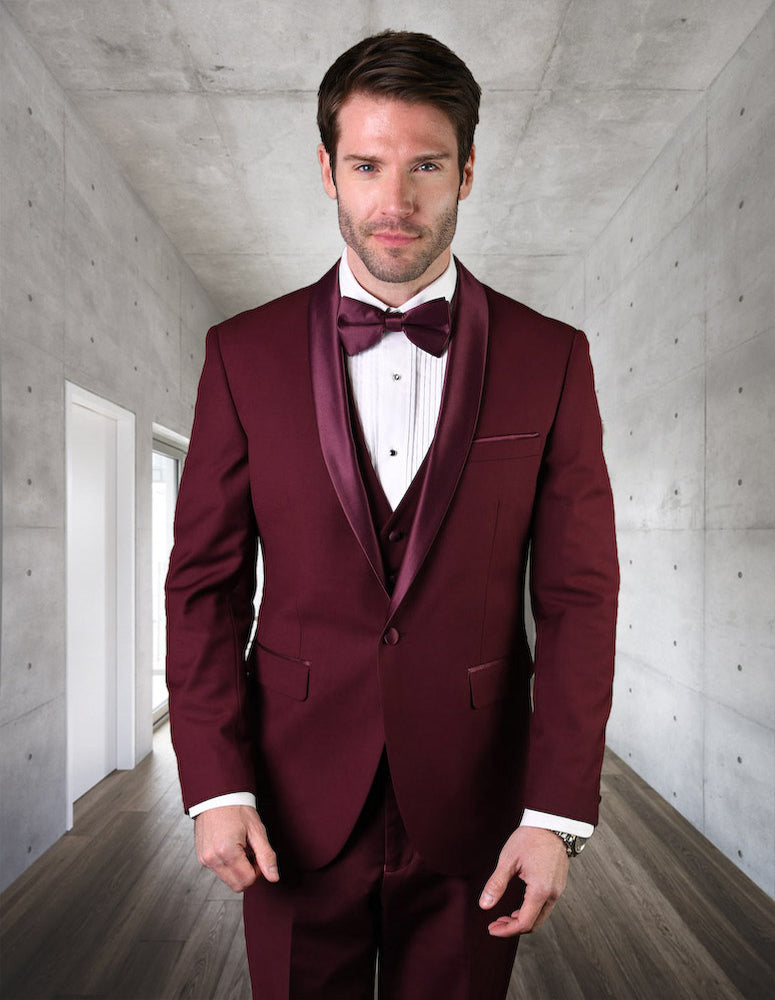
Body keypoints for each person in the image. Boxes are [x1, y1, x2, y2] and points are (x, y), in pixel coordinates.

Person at [165, 29, 619, 1000]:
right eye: (367, 165)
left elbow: (581, 596)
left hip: (477, 807)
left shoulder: (552, 357)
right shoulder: (241, 354)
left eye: (426, 166)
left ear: (467, 171)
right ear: (326, 169)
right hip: (288, 803)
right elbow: (202, 586)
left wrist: (555, 810)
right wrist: (216, 781)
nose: (396, 200)